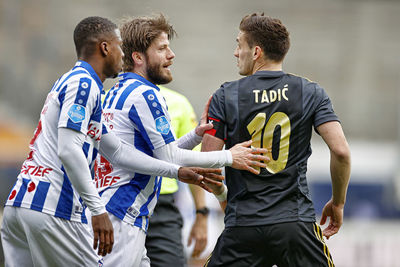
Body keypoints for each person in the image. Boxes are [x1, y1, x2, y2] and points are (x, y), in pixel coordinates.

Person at [0, 16, 224, 267]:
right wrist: (97, 210)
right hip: (54, 206)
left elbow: (119, 152)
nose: (123, 54)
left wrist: (179, 165)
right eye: (120, 46)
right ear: (105, 48)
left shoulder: (81, 86)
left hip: (19, 202)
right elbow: (68, 149)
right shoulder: (85, 84)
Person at [96, 14, 269, 267]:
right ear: (138, 57)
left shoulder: (115, 92)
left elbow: (155, 155)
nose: (171, 55)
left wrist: (195, 135)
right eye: (162, 48)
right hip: (123, 212)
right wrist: (231, 157)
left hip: (116, 208)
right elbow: (169, 158)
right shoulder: (145, 94)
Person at [202, 13, 351, 267]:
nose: (236, 53)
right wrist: (338, 203)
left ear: (256, 51)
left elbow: (207, 166)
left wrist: (225, 199)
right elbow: (341, 152)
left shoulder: (225, 96)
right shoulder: (310, 92)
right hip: (295, 225)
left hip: (243, 226)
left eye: (239, 45)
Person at [145, 85, 209, 267]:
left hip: (162, 207)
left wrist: (201, 215)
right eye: (161, 52)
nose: (170, 55)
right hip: (119, 205)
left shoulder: (178, 103)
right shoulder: (108, 100)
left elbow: (193, 164)